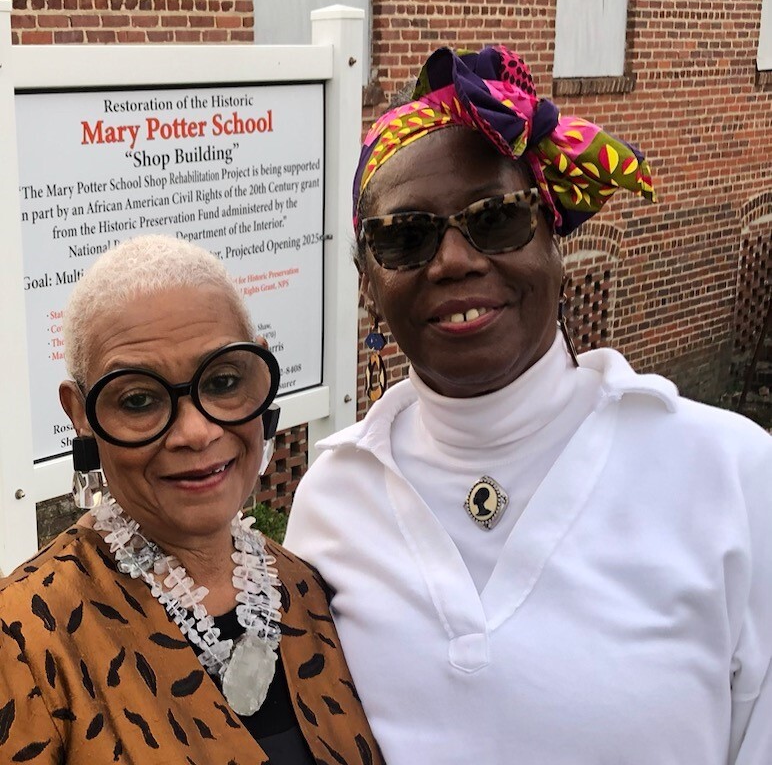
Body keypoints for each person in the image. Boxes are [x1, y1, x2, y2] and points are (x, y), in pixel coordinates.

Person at [284, 45, 772, 764]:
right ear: (368, 282)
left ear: (553, 237)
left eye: (497, 217)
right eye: (406, 236)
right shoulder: (332, 497)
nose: (454, 260)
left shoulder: (730, 473)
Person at [0, 236, 383, 764]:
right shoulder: (24, 636)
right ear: (81, 413)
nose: (197, 431)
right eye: (138, 399)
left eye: (223, 381)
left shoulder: (312, 591)